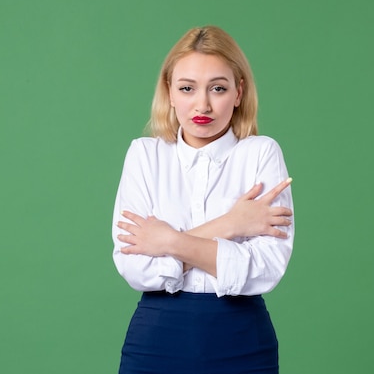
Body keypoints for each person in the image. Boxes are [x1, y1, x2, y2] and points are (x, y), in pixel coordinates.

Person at [112, 25, 295, 374]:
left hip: (242, 340)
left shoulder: (260, 154)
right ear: (169, 92)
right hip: (156, 340)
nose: (203, 104)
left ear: (239, 92)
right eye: (187, 88)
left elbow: (266, 269)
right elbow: (136, 268)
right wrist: (232, 224)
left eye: (218, 88)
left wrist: (167, 241)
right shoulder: (145, 155)